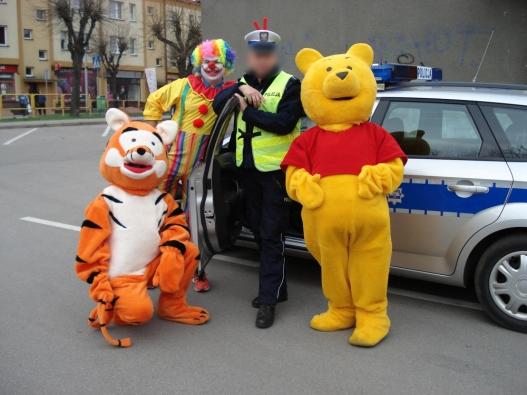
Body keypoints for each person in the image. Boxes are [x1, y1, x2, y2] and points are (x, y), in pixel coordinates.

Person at [213, 18, 304, 329]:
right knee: (255, 229)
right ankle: (276, 289)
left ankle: (267, 301)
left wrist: (246, 109)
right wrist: (240, 87)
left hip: (275, 175)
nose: (261, 58)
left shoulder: (292, 85)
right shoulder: (244, 80)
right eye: (256, 53)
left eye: (267, 53)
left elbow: (284, 124)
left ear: (275, 55)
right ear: (250, 55)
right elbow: (217, 104)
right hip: (248, 173)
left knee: (270, 234)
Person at [143, 39, 236, 292]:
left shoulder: (230, 91)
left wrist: (246, 90)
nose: (212, 66)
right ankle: (153, 269)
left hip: (199, 172)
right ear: (200, 63)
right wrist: (153, 139)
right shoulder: (183, 86)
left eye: (218, 62)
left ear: (225, 65)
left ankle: (196, 271)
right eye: (208, 62)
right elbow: (154, 101)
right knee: (158, 218)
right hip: (169, 166)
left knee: (194, 226)